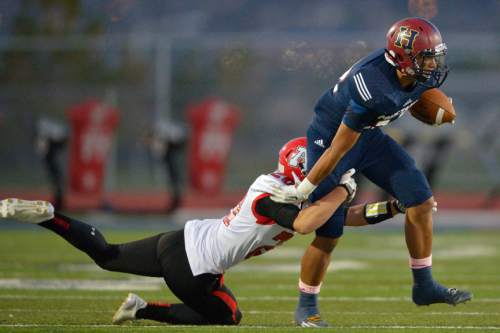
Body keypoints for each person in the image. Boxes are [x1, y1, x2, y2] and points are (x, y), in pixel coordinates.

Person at [0, 137, 404, 326]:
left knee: (107, 255)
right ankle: (143, 310)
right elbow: (304, 225)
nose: (328, 173)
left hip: (177, 241)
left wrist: (393, 207)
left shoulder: (289, 191)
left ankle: (49, 216)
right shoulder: (272, 197)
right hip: (193, 268)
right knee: (230, 316)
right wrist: (342, 189)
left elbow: (341, 217)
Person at [269, 18, 472, 327]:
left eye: (434, 55)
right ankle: (306, 305)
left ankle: (424, 285)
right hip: (331, 137)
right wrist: (304, 190)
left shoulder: (414, 74)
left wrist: (434, 111)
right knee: (329, 233)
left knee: (420, 200)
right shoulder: (373, 89)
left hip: (368, 136)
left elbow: (414, 99)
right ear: (403, 60)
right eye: (426, 57)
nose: (433, 63)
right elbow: (338, 149)